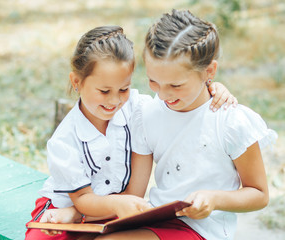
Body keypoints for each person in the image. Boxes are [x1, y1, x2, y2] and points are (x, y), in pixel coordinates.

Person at [25, 25, 237, 240]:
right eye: (104, 91)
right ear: (76, 82)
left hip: (118, 211)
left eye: (123, 89)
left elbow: (179, 101)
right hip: (63, 210)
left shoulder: (138, 109)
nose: (114, 100)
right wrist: (73, 213)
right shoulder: (64, 141)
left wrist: (212, 87)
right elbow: (82, 199)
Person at [96, 9, 278, 240]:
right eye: (153, 81)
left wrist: (214, 199)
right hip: (156, 218)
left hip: (202, 229)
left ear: (209, 71)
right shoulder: (147, 114)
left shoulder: (231, 122)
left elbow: (259, 194)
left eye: (176, 85)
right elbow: (135, 193)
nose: (162, 95)